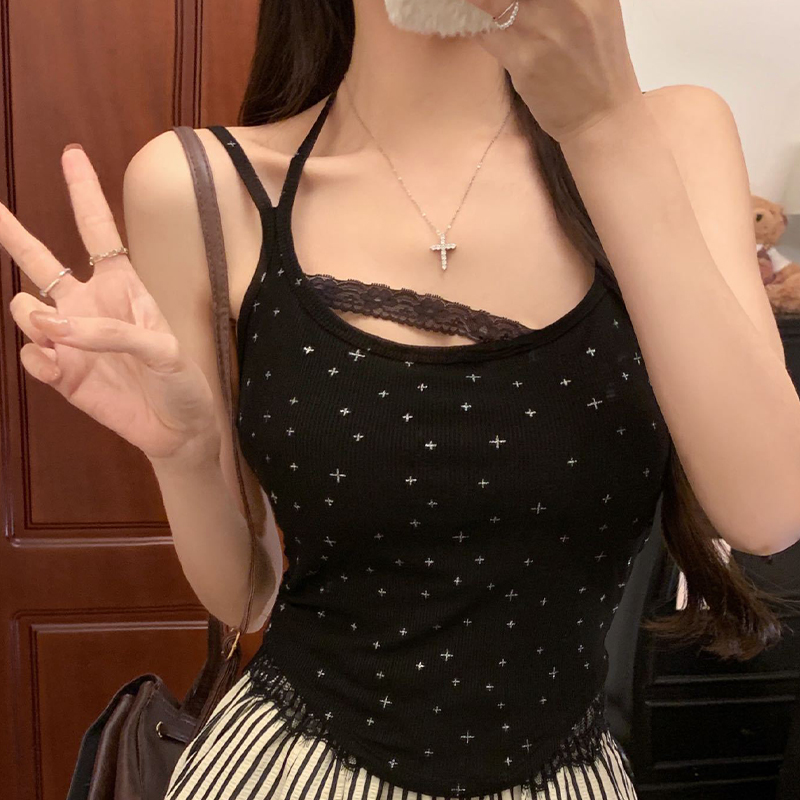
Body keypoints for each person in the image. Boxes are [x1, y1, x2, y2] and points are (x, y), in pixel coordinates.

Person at [6, 0, 799, 798]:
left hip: (568, 773)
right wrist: (183, 455)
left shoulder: (670, 136)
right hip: (287, 772)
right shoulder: (203, 186)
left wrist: (603, 125)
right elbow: (247, 595)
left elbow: (768, 511)